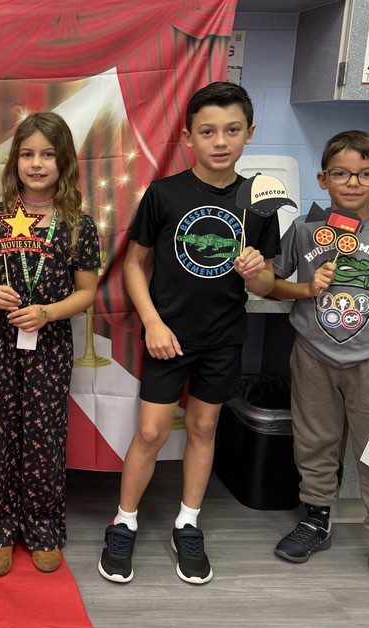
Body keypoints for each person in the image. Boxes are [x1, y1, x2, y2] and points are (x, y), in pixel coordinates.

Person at [98, 82, 278, 586]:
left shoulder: (260, 200)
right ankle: (125, 521)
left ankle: (188, 522)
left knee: (202, 430)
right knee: (151, 432)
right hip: (167, 338)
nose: (220, 141)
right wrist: (152, 321)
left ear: (249, 134)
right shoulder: (165, 193)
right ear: (188, 138)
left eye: (232, 130)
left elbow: (266, 282)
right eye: (208, 131)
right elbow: (134, 265)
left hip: (223, 338)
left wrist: (255, 269)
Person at [269, 131, 369, 603]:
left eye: (365, 174)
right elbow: (273, 285)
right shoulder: (304, 232)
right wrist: (299, 282)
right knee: (315, 443)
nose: (352, 182)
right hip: (313, 355)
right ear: (323, 178)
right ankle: (316, 518)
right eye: (340, 173)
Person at [0, 112, 101, 576]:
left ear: (63, 161)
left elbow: (87, 293)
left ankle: (42, 528)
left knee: (44, 435)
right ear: (15, 161)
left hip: (51, 343)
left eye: (47, 154)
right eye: (28, 154)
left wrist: (47, 312)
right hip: (2, 341)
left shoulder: (78, 224)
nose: (37, 163)